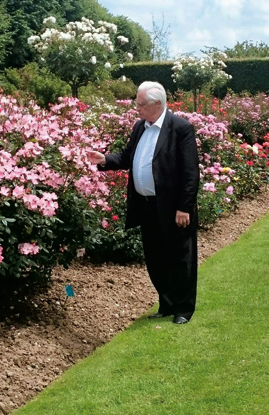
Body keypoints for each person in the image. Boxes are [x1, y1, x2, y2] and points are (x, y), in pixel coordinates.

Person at [88, 81, 200, 324]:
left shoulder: (180, 128)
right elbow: (128, 156)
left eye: (140, 104)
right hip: (147, 205)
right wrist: (104, 159)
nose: (136, 108)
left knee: (181, 259)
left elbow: (191, 173)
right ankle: (167, 304)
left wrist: (184, 207)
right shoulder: (140, 127)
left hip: (173, 208)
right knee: (156, 258)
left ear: (157, 104)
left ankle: (183, 309)